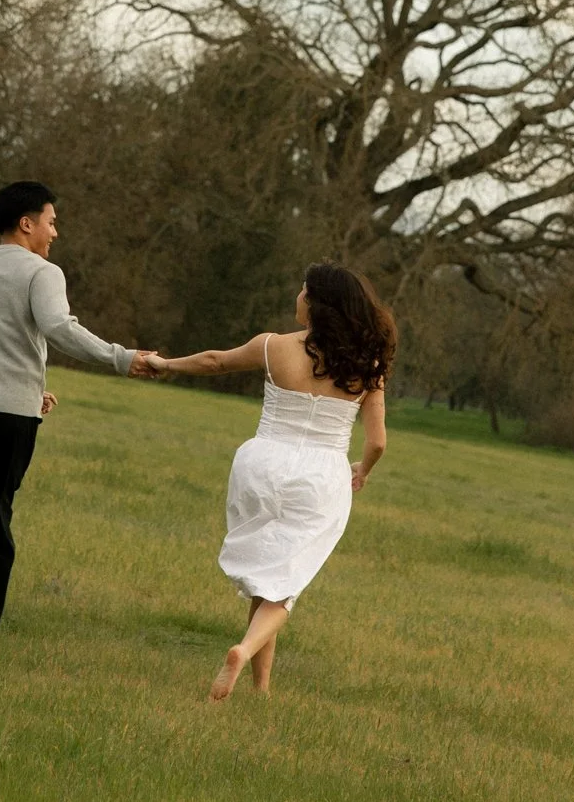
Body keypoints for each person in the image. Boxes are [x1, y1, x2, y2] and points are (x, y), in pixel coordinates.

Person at [0, 180, 154, 639]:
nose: (55, 233)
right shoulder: (43, 272)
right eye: (51, 222)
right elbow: (58, 328)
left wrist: (32, 388)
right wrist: (121, 358)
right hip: (11, 416)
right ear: (27, 223)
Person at [149, 263, 394, 700]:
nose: (298, 297)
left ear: (317, 304)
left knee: (268, 576)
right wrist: (362, 470)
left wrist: (164, 363)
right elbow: (377, 442)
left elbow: (214, 361)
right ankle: (242, 652)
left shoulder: (273, 346)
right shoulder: (367, 364)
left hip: (260, 466)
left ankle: (261, 689)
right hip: (320, 477)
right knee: (285, 584)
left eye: (303, 291)